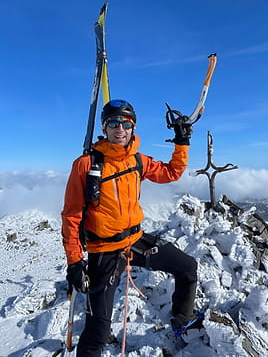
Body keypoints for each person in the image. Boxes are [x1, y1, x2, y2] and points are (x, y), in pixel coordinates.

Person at [61, 99, 198, 356]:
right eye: (114, 123)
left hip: (135, 240)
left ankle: (182, 318)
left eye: (126, 123)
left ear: (133, 127)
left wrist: (182, 143)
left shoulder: (138, 160)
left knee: (187, 267)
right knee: (97, 331)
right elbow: (71, 215)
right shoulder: (86, 164)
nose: (120, 128)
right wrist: (74, 261)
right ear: (105, 127)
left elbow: (171, 173)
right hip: (104, 251)